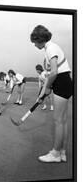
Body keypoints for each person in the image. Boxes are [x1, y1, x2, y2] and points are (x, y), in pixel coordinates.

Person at [31, 25, 73, 163]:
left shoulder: (50, 48)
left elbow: (54, 72)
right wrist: (44, 92)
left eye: (34, 41)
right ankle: (61, 152)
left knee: (58, 121)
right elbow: (51, 73)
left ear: (39, 39)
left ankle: (55, 154)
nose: (34, 44)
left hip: (61, 81)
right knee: (63, 121)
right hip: (64, 80)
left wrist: (47, 87)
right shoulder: (51, 47)